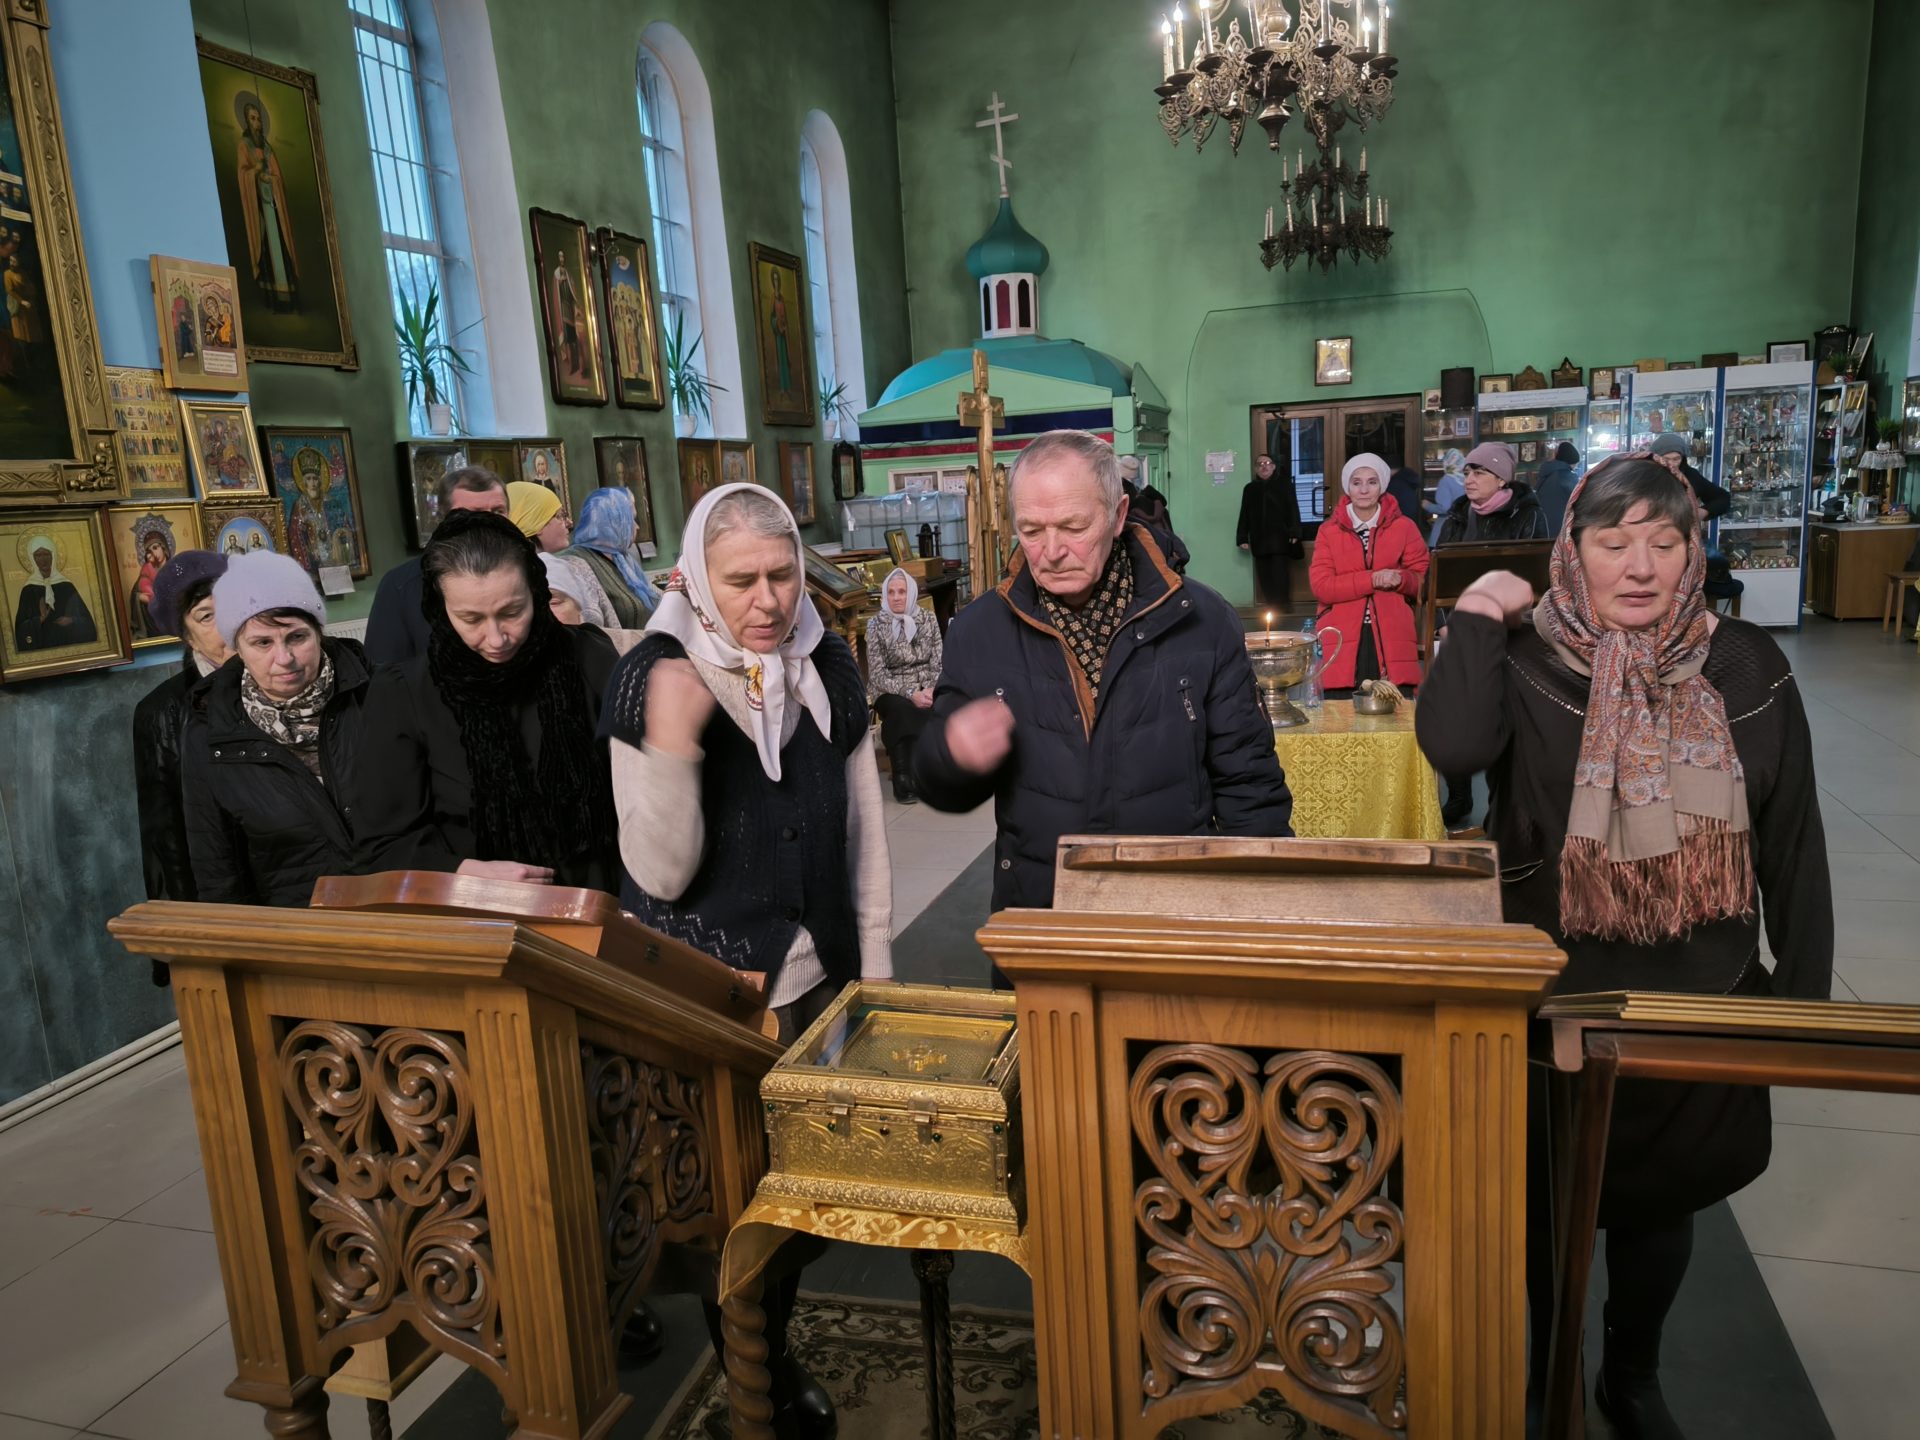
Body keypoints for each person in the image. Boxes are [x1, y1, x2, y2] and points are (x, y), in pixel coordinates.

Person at [1415, 457, 1831, 1439]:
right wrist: (1476, 613)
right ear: (1574, 553)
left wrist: (1800, 1007)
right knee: (1541, 1206)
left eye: (1664, 542)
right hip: (1553, 988)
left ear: (1693, 552)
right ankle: (1549, 1371)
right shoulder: (1529, 655)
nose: (1639, 567)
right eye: (1613, 543)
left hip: (1696, 987)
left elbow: (1792, 841)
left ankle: (1630, 1376)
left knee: (1660, 1206)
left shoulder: (1745, 667)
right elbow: (1455, 748)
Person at [601, 483, 886, 1440]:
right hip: (710, 993)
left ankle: (771, 1345)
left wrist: (876, 983)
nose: (768, 600)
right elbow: (658, 872)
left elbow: (864, 838)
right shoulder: (649, 677)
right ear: (696, 579)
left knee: (801, 1186)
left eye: (782, 574)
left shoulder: (828, 663)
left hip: (816, 978)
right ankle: (752, 1370)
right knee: (726, 1196)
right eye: (741, 581)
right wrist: (673, 745)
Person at [914, 429, 1294, 920]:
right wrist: (951, 755)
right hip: (1042, 910)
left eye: (1073, 527)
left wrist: (1260, 910)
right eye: (1032, 530)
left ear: (1117, 516)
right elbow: (939, 783)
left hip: (1175, 912)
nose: (1052, 550)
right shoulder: (979, 631)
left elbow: (1250, 783)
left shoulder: (1201, 621)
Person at [351, 510, 620, 890]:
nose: (496, 639)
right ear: (439, 608)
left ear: (536, 592)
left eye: (512, 612)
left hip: (604, 901)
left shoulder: (589, 659)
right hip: (477, 911)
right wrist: (460, 871)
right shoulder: (403, 693)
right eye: (471, 619)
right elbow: (381, 846)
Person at [182, 553, 373, 907]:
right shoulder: (210, 733)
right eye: (262, 643)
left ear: (319, 632)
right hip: (297, 928)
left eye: (297, 637)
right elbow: (218, 873)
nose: (284, 658)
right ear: (238, 648)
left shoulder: (375, 694)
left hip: (401, 912)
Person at [132, 550, 229, 984]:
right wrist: (186, 945)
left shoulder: (282, 678)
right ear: (186, 635)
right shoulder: (162, 712)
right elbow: (166, 837)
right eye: (207, 616)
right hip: (221, 899)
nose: (227, 625)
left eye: (232, 606)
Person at [365, 466, 509, 667]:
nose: (489, 522)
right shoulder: (402, 585)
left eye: (498, 511)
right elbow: (385, 670)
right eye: (473, 513)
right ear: (445, 519)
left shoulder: (530, 574)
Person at [1309, 453, 1430, 694]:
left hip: (1393, 633)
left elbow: (1423, 582)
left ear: (1382, 485)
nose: (1364, 490)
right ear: (1348, 487)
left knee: (1396, 707)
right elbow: (1322, 587)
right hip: (1341, 634)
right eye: (1357, 482)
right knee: (1341, 710)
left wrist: (1402, 579)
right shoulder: (1328, 531)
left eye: (1372, 482)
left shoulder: (1405, 527)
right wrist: (1372, 579)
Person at [865, 566, 944, 803]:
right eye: (891, 592)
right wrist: (910, 693)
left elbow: (938, 662)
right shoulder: (876, 624)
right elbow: (877, 674)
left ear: (911, 594)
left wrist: (930, 689)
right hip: (890, 689)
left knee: (945, 703)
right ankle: (903, 778)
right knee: (902, 710)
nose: (897, 597)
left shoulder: (928, 619)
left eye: (902, 591)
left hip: (926, 685)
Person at [562, 486, 662, 629]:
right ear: (614, 522)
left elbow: (651, 593)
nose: (637, 527)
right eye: (631, 519)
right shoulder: (575, 561)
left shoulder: (623, 557)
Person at [1434, 441, 1551, 545]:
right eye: (1466, 473)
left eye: (1478, 473)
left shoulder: (1527, 515)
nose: (1468, 481)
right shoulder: (1457, 515)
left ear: (1501, 480)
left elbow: (1534, 561)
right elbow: (1440, 560)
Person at [1236, 452, 1304, 604]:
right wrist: (1242, 538)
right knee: (1264, 575)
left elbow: (1293, 509)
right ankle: (1271, 606)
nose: (1264, 467)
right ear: (1256, 469)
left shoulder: (1285, 485)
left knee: (1280, 574)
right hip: (1259, 539)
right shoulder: (1250, 489)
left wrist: (1295, 532)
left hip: (1280, 538)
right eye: (1260, 464)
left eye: (1267, 463)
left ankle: (1283, 606)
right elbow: (1244, 513)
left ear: (1273, 467)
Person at [13, 534, 98, 651]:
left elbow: (87, 622)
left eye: (46, 554)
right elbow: (20, 628)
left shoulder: (66, 586)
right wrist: (39, 620)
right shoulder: (29, 590)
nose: (43, 559)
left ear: (53, 556)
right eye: (38, 555)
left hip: (68, 643)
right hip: (43, 647)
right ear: (32, 559)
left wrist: (71, 620)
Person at [1535, 441, 1581, 535]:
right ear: (1571, 463)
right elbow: (1581, 502)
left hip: (1543, 529)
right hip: (1561, 531)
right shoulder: (1568, 477)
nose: (1575, 468)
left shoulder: (1546, 472)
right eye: (1575, 465)